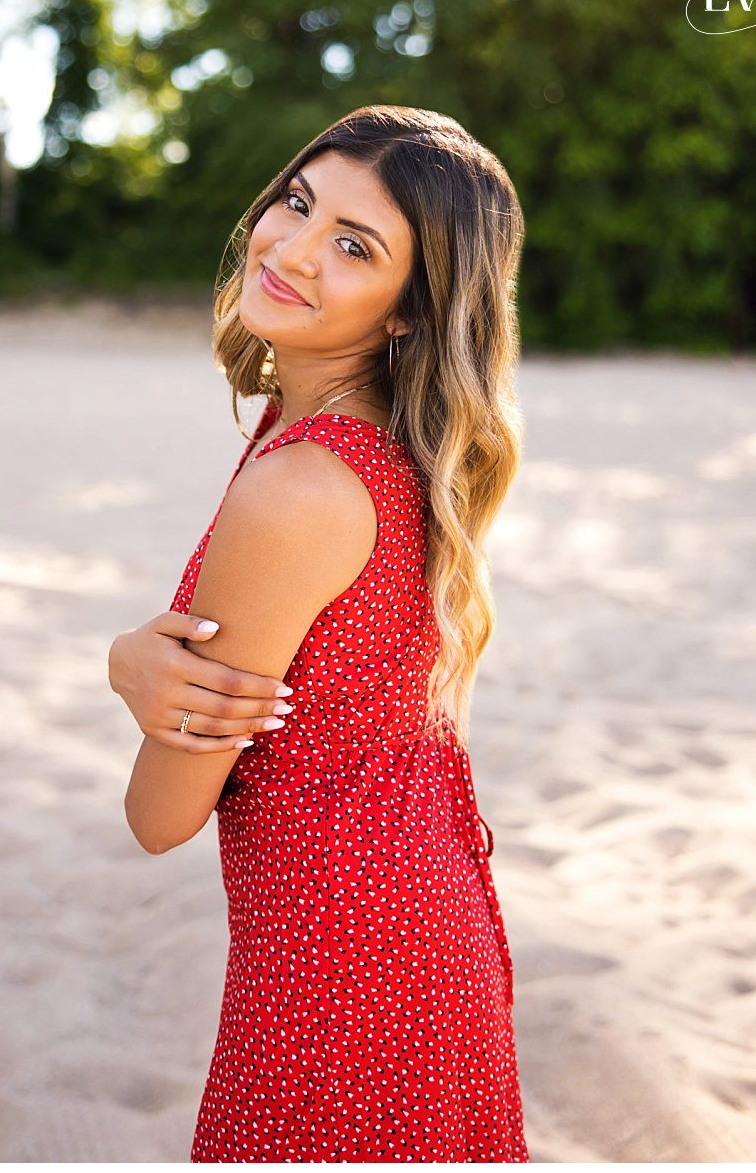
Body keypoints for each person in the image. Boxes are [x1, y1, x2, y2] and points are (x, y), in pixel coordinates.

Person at [106, 104, 530, 1160]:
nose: (292, 249)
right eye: (296, 203)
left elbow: (159, 814)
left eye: (354, 246)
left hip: (341, 970)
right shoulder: (377, 441)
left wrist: (129, 669)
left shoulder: (299, 487)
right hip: (420, 924)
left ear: (409, 312)